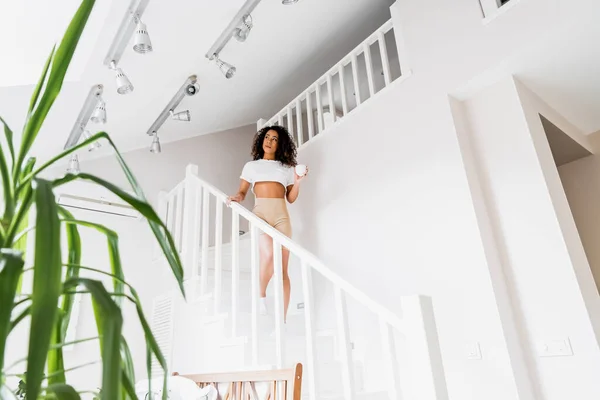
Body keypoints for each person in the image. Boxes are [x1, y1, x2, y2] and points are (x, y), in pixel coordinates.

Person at [227, 125, 308, 323]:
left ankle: (283, 319)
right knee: (270, 255)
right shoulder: (251, 166)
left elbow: (291, 198)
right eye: (267, 137)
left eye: (274, 139)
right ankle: (261, 295)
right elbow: (243, 191)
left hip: (281, 215)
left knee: (282, 269)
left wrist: (297, 182)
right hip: (261, 214)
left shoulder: (286, 168)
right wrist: (236, 197)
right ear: (261, 140)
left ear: (280, 144)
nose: (269, 141)